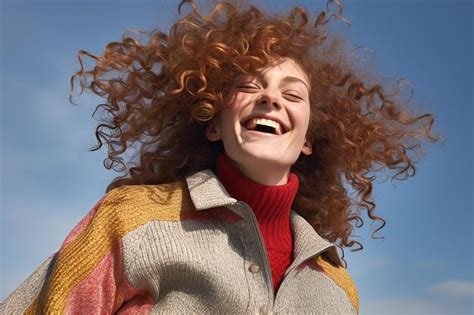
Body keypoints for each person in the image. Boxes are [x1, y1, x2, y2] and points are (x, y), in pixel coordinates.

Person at [0, 0, 441, 313]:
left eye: (293, 94)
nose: (270, 98)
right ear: (213, 122)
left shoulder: (337, 287)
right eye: (248, 86)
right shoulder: (131, 219)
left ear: (309, 140)